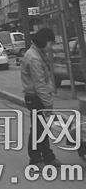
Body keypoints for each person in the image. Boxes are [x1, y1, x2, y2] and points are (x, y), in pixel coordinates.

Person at [21, 28, 61, 170]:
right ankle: (35, 159)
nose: (51, 46)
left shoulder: (38, 53)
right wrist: (48, 104)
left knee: (43, 128)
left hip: (38, 97)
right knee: (38, 129)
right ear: (44, 41)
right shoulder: (34, 58)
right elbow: (39, 84)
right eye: (50, 43)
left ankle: (48, 156)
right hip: (36, 98)